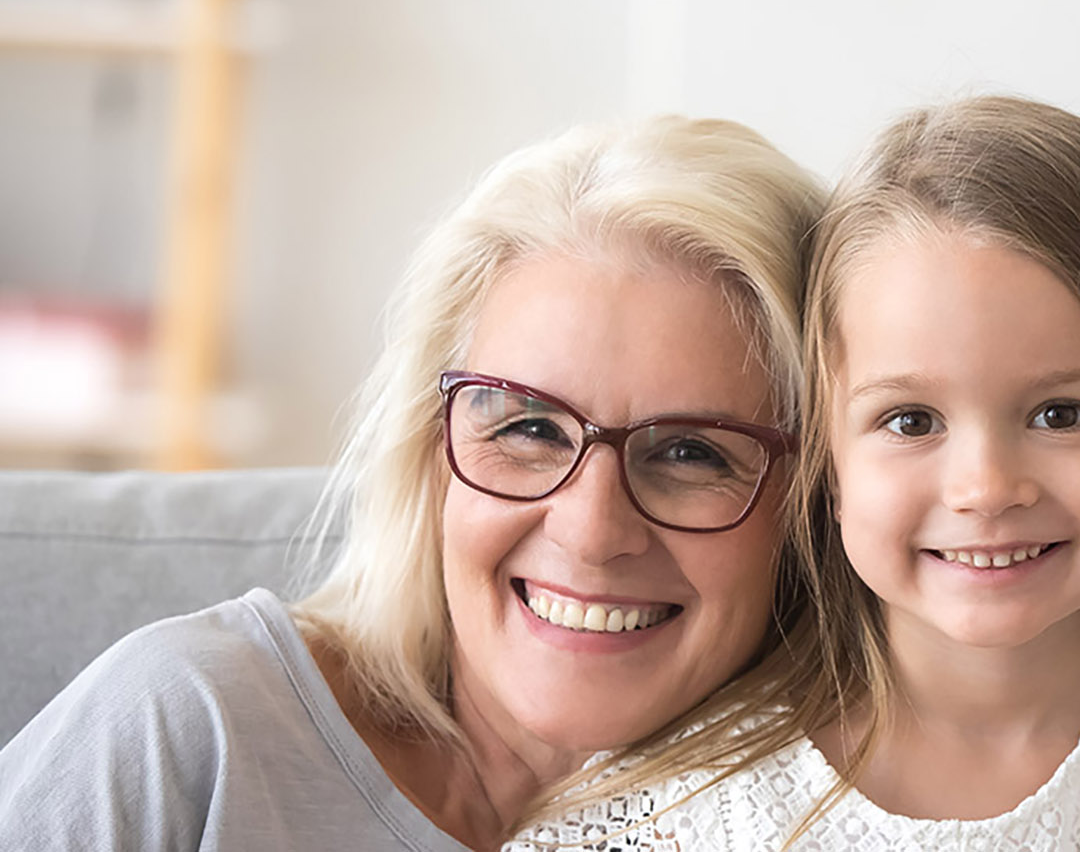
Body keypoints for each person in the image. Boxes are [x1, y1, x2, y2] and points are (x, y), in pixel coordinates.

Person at [511, 96, 1080, 850]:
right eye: (910, 421)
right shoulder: (680, 807)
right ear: (825, 457)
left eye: (1060, 414)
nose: (985, 486)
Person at [0, 115, 825, 850]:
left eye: (691, 454)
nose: (591, 530)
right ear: (429, 454)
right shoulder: (189, 725)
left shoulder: (833, 820)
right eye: (529, 429)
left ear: (816, 501)